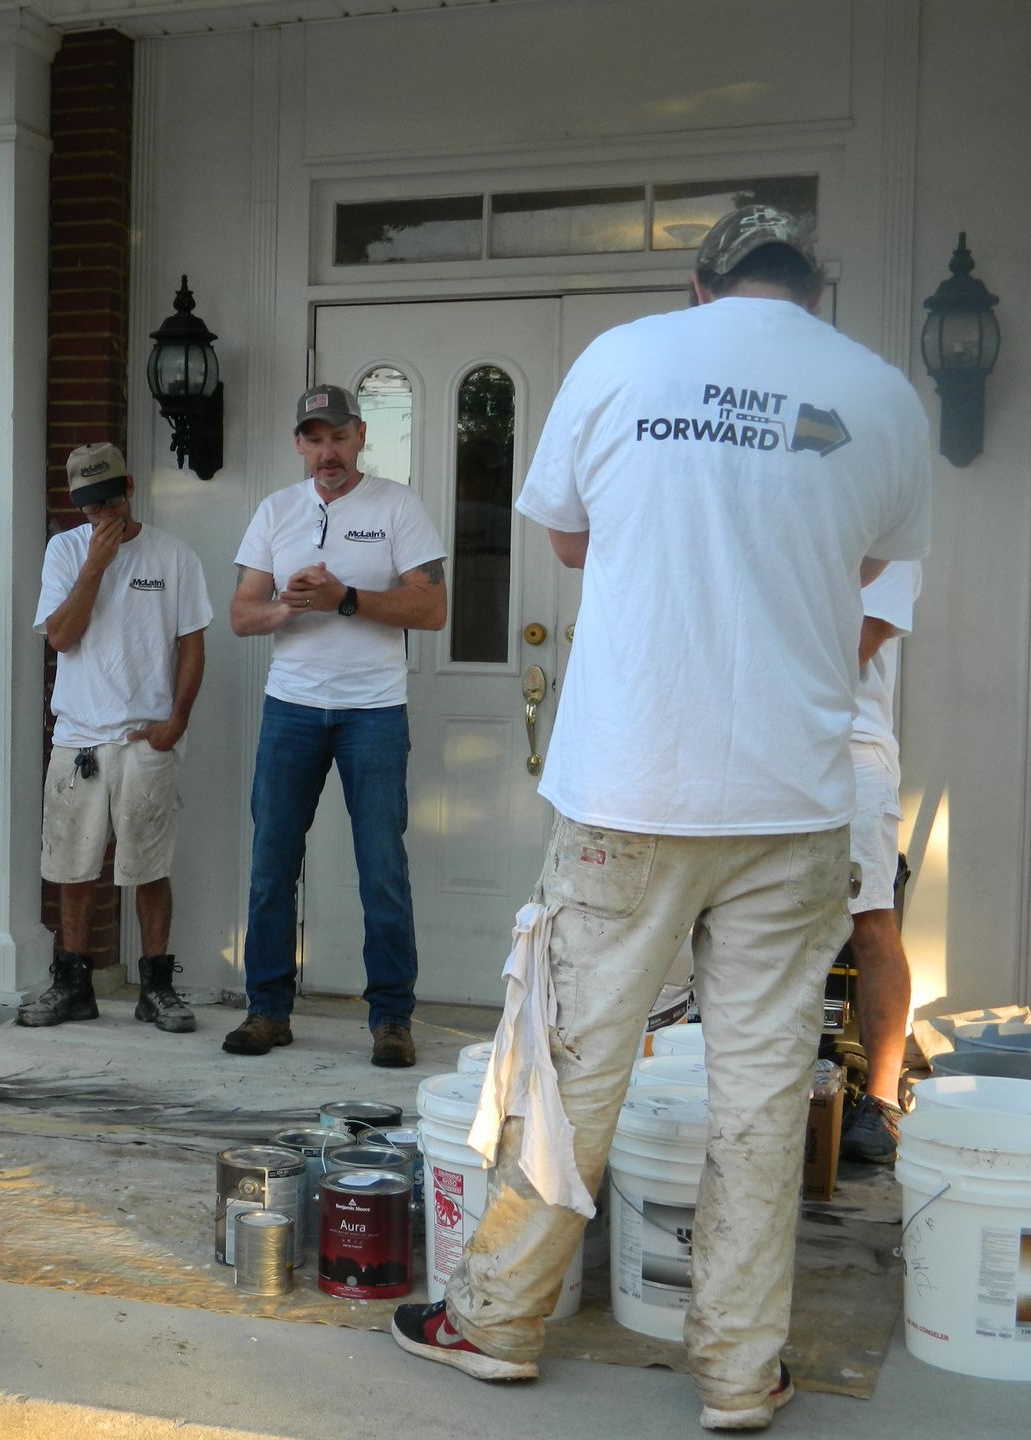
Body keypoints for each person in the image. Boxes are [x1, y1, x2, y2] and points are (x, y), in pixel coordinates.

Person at [391, 207, 931, 1433]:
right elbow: (868, 572)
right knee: (762, 1087)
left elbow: (571, 536)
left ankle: (497, 1322)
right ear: (815, 285)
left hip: (631, 787)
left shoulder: (624, 358)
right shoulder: (881, 393)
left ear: (703, 284)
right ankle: (741, 1372)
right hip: (794, 798)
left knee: (574, 1063)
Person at [225, 385, 447, 1067]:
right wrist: (292, 607)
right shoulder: (275, 511)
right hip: (291, 708)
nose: (328, 452)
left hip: (373, 713)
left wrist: (344, 598)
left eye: (339, 437)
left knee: (381, 868)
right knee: (271, 867)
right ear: (299, 444)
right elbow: (240, 615)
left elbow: (431, 609)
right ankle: (267, 1010)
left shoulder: (397, 505)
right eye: (314, 438)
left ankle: (391, 1019)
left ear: (361, 436)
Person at [20, 443, 211, 1032]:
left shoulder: (174, 555)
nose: (99, 515)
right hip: (78, 735)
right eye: (87, 506)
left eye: (108, 500)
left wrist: (176, 720)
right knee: (72, 866)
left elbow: (192, 643)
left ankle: (157, 986)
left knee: (148, 866)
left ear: (129, 485)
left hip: (146, 737)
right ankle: (73, 985)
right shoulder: (65, 551)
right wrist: (94, 567)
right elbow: (60, 637)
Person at [840, 559, 924, 1163]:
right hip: (763, 752)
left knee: (870, 921)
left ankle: (881, 1102)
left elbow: (858, 644)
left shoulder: (891, 535)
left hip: (853, 751)